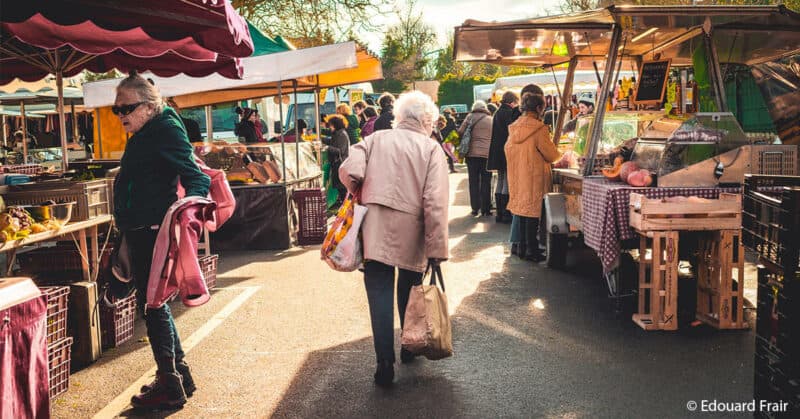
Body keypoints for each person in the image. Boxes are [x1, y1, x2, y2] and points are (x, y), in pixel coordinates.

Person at [111, 72, 210, 410]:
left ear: (150, 106)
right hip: (143, 227)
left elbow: (195, 176)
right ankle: (178, 374)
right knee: (155, 304)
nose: (121, 115)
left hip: (153, 228)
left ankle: (169, 384)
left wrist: (189, 211)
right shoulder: (147, 129)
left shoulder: (165, 127)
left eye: (127, 108)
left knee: (153, 306)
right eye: (116, 110)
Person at [339, 91, 449, 388]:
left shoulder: (375, 139)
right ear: (428, 121)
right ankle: (408, 344)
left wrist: (361, 188)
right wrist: (437, 247)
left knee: (378, 290)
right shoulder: (430, 148)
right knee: (410, 287)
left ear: (400, 117)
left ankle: (384, 360)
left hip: (374, 225)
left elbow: (350, 169)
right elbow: (435, 202)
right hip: (412, 229)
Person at [505, 92, 561, 262]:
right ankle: (532, 249)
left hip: (517, 175)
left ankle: (522, 248)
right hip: (534, 175)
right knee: (532, 214)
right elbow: (551, 155)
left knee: (522, 211)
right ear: (538, 108)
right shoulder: (539, 129)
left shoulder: (514, 127)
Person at [487, 90, 519, 224]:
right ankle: (506, 212)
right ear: (512, 102)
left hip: (496, 151)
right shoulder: (508, 113)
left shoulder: (497, 112)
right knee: (506, 180)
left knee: (500, 179)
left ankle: (499, 212)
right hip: (506, 151)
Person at [458, 100, 493, 216]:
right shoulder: (490, 119)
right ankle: (486, 209)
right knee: (486, 182)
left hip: (471, 155)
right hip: (487, 155)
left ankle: (475, 208)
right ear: (485, 108)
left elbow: (460, 131)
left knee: (473, 182)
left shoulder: (470, 117)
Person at [322, 114, 350, 205]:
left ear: (335, 125)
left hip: (340, 164)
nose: (329, 127)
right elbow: (332, 141)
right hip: (338, 164)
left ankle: (346, 209)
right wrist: (321, 139)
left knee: (343, 189)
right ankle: (345, 207)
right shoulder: (338, 134)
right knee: (341, 189)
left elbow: (339, 151)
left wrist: (326, 147)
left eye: (330, 125)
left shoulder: (341, 134)